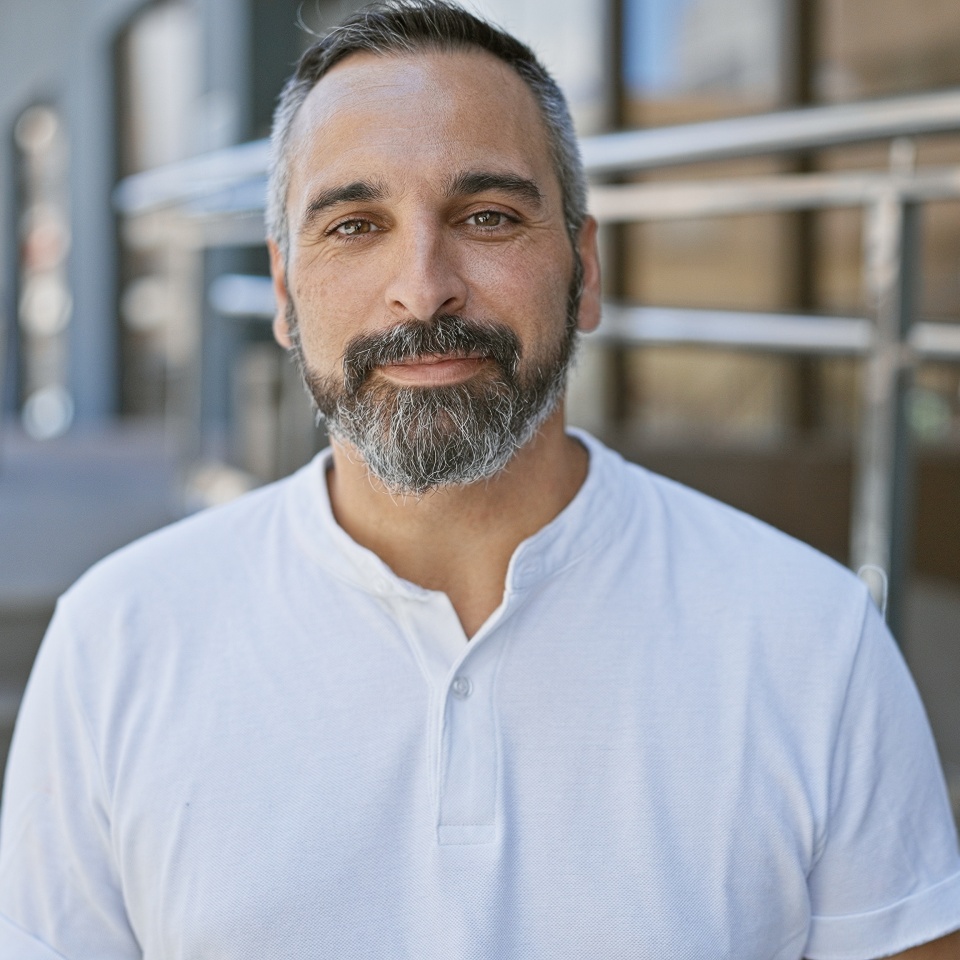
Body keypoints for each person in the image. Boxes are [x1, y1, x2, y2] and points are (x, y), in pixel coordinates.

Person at [2, 1, 959, 956]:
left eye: (488, 216)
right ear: (285, 295)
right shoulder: (118, 642)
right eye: (354, 225)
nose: (424, 286)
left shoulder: (811, 640)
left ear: (583, 271)